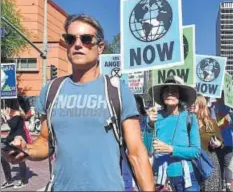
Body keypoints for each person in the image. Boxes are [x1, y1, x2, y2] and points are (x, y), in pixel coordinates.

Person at [2, 14, 154, 191]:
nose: (78, 44)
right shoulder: (51, 90)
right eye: (70, 38)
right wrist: (26, 150)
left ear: (100, 48)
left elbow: (136, 153)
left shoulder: (118, 90)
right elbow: (44, 142)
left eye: (87, 39)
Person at [147, 76, 201, 191]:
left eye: (174, 91)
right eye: (166, 90)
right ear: (162, 95)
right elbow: (146, 149)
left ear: (180, 96)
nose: (170, 93)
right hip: (161, 180)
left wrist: (171, 149)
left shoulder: (190, 118)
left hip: (187, 180)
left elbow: (196, 151)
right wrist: (150, 125)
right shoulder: (155, 117)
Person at [191, 94, 223, 191]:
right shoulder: (186, 122)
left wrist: (218, 144)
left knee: (209, 188)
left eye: (193, 104)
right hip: (192, 161)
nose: (190, 105)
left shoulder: (211, 122)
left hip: (209, 161)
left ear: (201, 105)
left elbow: (221, 141)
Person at [1, 99, 28, 189]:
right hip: (11, 138)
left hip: (19, 138)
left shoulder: (18, 114)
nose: (7, 107)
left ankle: (24, 181)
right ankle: (9, 180)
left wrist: (7, 117)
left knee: (20, 159)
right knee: (3, 158)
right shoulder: (12, 113)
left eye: (9, 105)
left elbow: (13, 125)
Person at [214, 92, 233, 191]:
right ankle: (223, 185)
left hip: (228, 141)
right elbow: (214, 124)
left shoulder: (230, 108)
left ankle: (227, 186)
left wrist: (231, 116)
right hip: (218, 141)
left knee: (227, 165)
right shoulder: (213, 108)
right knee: (220, 164)